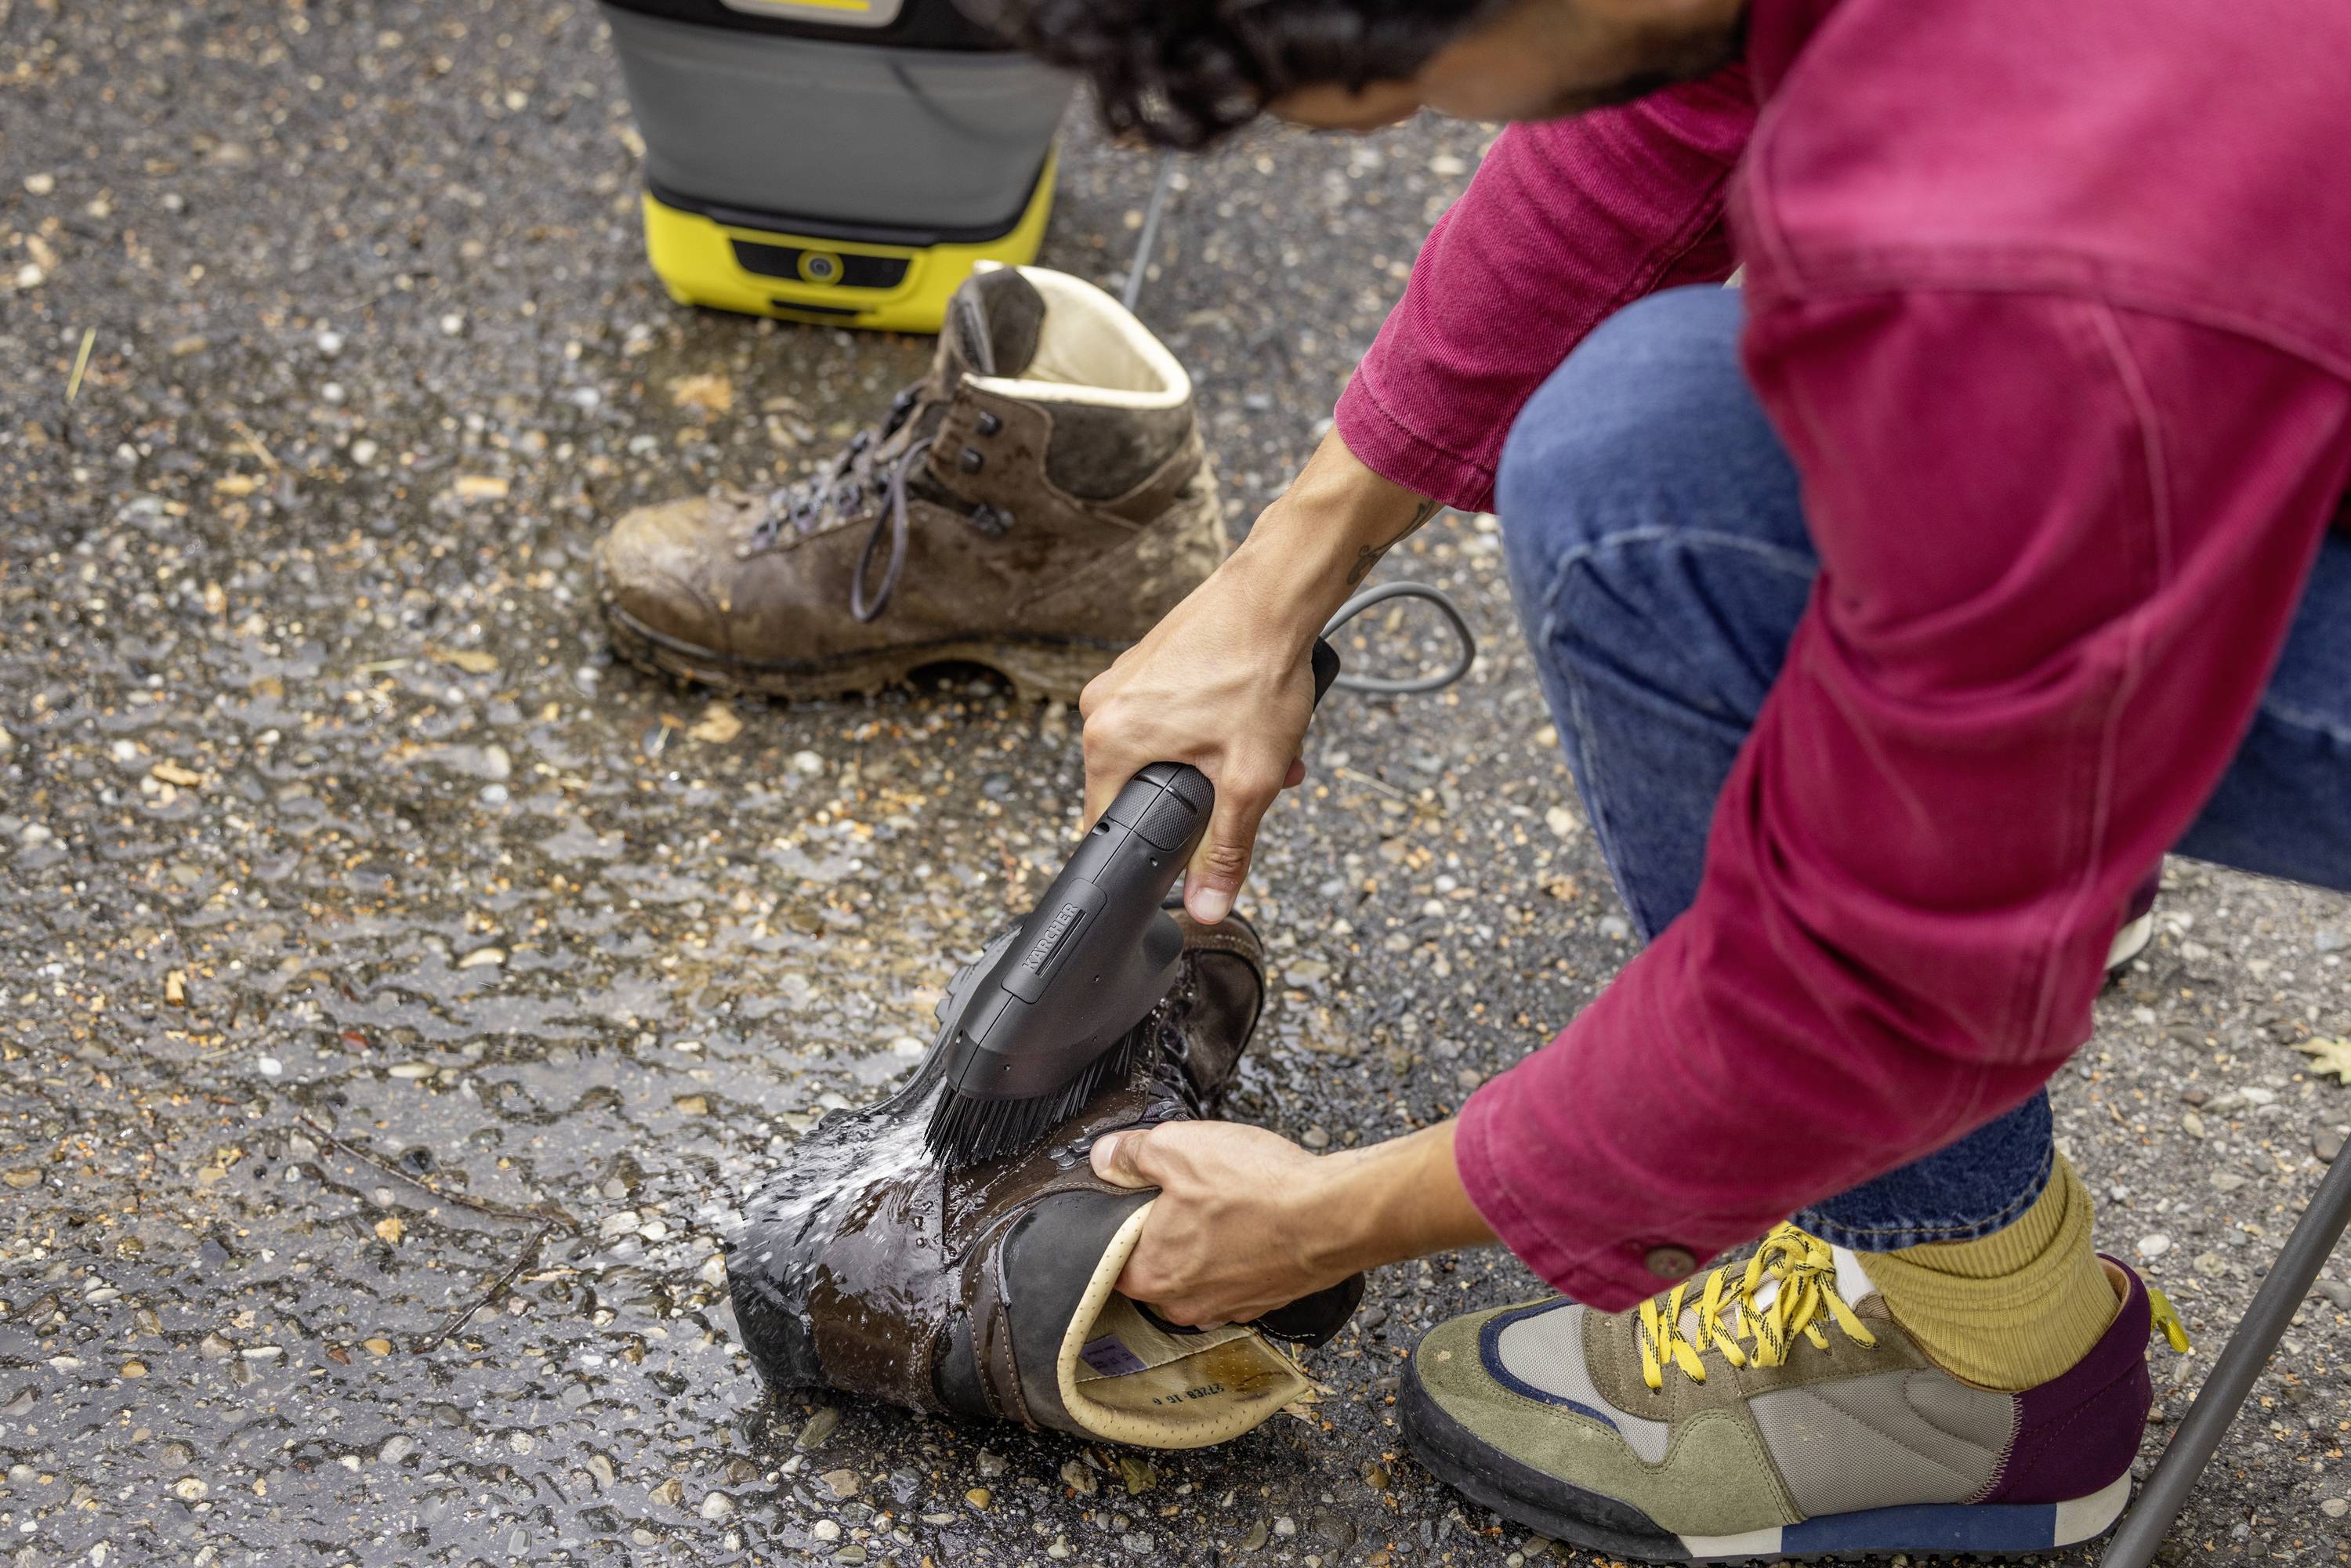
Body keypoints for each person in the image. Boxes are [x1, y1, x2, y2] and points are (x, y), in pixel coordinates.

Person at [986, 0, 2351, 1555]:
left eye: (1404, 97)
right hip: (2216, 278)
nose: (1423, 129)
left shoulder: (2005, 264)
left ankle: (1979, 1373)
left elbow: (1867, 991)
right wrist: (1271, 584)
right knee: (1652, 436)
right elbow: (1659, 110)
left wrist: (1325, 1217)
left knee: (1661, 526)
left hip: (2121, 304)